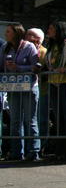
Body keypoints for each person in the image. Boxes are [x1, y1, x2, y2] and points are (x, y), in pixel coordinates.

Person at [2, 23, 40, 160]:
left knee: (30, 120)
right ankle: (16, 151)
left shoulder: (29, 47)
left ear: (16, 33)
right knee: (15, 120)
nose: (5, 34)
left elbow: (36, 66)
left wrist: (18, 67)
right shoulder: (5, 48)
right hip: (12, 87)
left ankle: (33, 151)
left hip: (29, 87)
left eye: (8, 32)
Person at [44, 19, 66, 160]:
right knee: (58, 117)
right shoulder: (51, 46)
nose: (48, 31)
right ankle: (59, 149)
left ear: (58, 30)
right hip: (53, 83)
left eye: (51, 28)